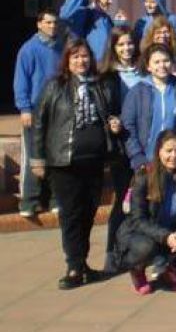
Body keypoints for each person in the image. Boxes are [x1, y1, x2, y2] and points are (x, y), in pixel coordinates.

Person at [31, 39, 121, 289]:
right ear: (67, 62)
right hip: (64, 162)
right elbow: (40, 123)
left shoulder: (99, 86)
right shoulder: (55, 86)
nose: (81, 61)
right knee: (71, 215)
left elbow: (108, 114)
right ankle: (73, 266)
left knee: (88, 213)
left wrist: (113, 124)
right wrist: (37, 159)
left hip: (93, 162)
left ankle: (82, 264)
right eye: (75, 57)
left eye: (84, 57)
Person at [113, 130, 176, 294]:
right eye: (168, 151)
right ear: (159, 151)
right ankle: (137, 270)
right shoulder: (144, 176)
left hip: (174, 230)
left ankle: (174, 267)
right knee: (146, 247)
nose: (173, 156)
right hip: (143, 232)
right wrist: (165, 236)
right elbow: (138, 219)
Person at [98, 25, 142, 270]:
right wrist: (111, 122)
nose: (127, 48)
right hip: (121, 148)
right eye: (121, 45)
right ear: (114, 48)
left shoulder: (143, 71)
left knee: (145, 201)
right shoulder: (106, 76)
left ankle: (141, 253)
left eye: (130, 44)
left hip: (145, 145)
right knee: (122, 200)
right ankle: (112, 254)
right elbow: (103, 110)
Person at [14, 9, 63, 218]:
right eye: (48, 22)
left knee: (54, 154)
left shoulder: (61, 47)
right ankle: (29, 201)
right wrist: (24, 107)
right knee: (34, 154)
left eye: (55, 23)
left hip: (57, 109)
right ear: (39, 24)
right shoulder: (29, 49)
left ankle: (53, 198)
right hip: (34, 109)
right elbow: (21, 80)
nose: (52, 26)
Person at [122, 43, 176, 171]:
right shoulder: (137, 92)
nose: (162, 66)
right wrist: (136, 155)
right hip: (147, 161)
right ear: (148, 66)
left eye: (166, 61)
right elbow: (128, 126)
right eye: (156, 62)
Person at [59, 0, 124, 61]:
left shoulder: (107, 19)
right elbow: (65, 14)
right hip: (90, 67)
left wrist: (119, 24)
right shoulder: (86, 14)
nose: (111, 1)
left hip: (105, 68)